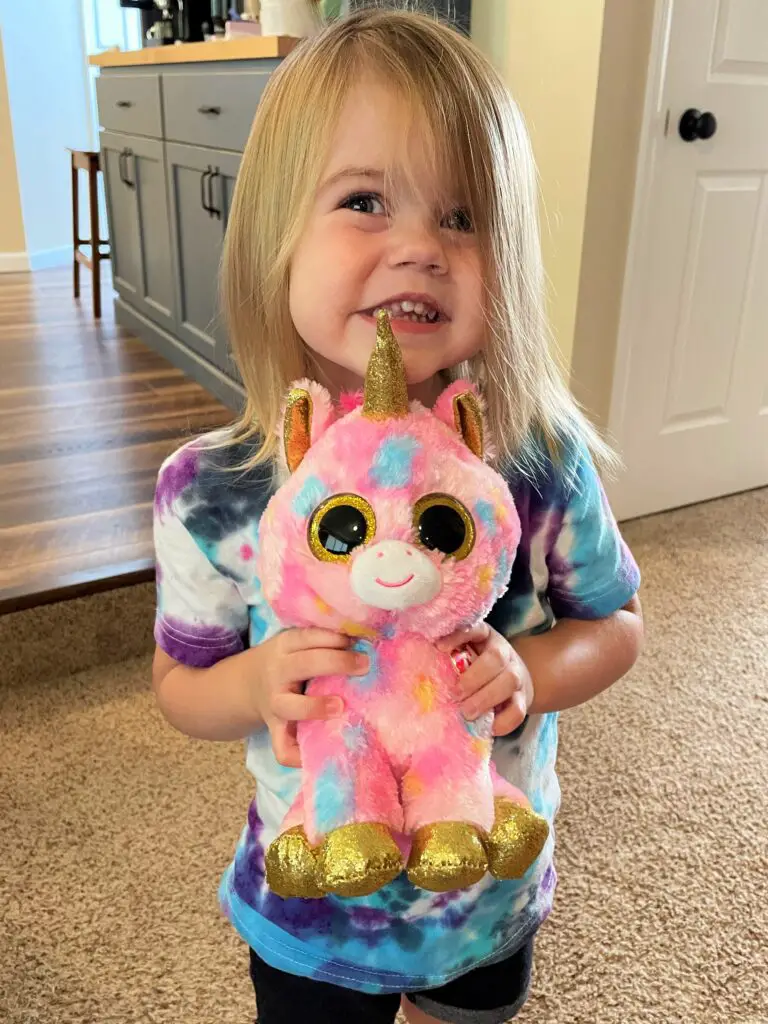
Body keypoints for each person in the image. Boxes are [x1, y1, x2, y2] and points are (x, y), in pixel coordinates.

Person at [151, 8, 644, 1023]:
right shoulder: (218, 486)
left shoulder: (535, 460)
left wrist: (529, 670)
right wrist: (253, 680)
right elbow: (180, 687)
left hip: (490, 885)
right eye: (367, 199)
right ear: (273, 237)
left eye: (463, 217)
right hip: (313, 907)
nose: (421, 246)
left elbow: (616, 624)